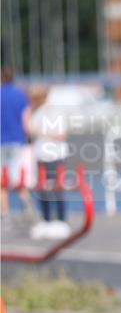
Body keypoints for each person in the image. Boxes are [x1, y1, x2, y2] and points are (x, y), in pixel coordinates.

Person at [29, 88, 71, 240]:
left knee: (57, 188)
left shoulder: (57, 112)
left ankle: (61, 220)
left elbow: (61, 134)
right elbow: (30, 130)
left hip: (56, 156)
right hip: (41, 156)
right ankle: (46, 220)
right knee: (42, 189)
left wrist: (42, 132)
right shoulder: (37, 112)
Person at [0, 65, 35, 223]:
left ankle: (5, 214)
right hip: (17, 140)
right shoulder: (20, 96)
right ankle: (28, 207)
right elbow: (26, 120)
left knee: (2, 180)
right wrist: (29, 139)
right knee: (18, 177)